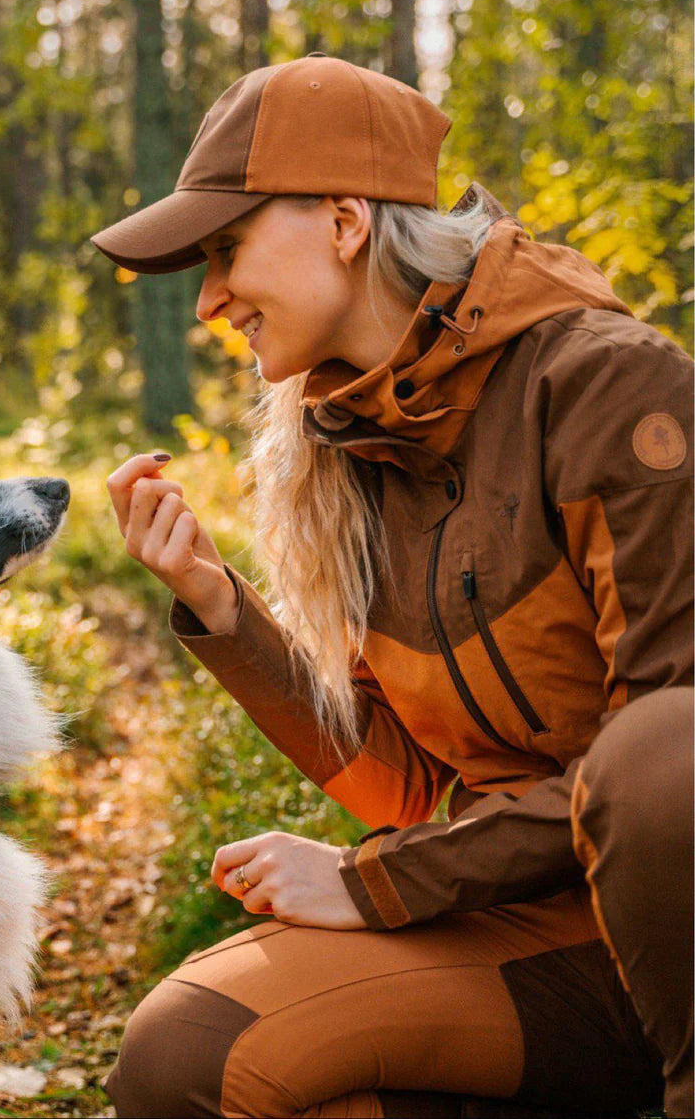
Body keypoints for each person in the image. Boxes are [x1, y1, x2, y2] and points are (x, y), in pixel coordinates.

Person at [94, 55, 694, 1118]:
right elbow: (408, 790)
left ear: (342, 220)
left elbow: (665, 777)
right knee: (191, 1052)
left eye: (226, 250)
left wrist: (379, 882)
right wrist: (226, 613)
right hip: (539, 936)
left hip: (676, 926)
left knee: (662, 755)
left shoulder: (611, 387)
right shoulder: (353, 447)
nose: (209, 301)